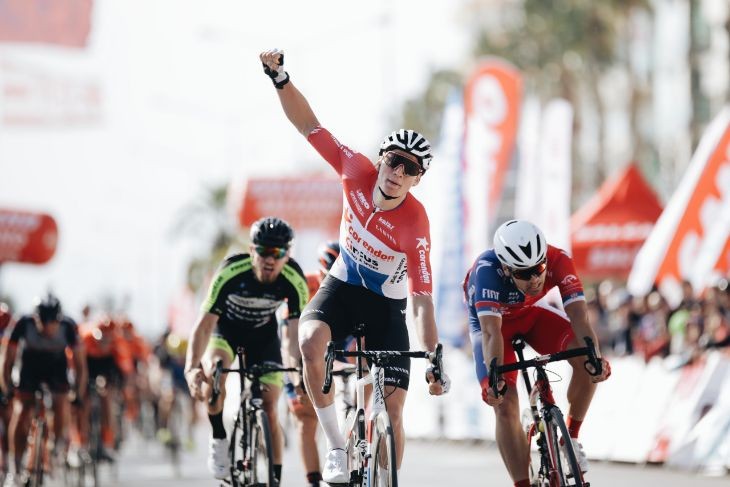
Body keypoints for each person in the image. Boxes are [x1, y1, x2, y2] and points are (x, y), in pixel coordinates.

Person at [259, 48, 450, 484]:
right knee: (310, 342)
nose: (398, 172)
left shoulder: (416, 225)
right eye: (394, 160)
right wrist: (280, 78)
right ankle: (338, 448)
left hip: (387, 309)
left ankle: (387, 475)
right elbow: (310, 125)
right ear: (381, 158)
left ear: (417, 179)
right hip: (342, 286)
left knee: (393, 409)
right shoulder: (354, 170)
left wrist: (434, 356)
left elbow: (422, 300)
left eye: (410, 168)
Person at [463, 219, 611, 487]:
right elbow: (491, 333)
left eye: (539, 268)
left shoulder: (558, 259)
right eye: (524, 273)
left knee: (587, 360)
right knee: (504, 404)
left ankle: (571, 439)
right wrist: (494, 379)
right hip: (493, 327)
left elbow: (579, 315)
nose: (534, 279)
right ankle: (522, 483)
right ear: (506, 269)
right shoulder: (486, 271)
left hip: (530, 316)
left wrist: (595, 356)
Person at [184, 216, 308, 484]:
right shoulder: (231, 271)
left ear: (288, 255)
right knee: (216, 373)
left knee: (271, 406)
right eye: (263, 251)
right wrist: (192, 367)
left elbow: (294, 333)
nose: (270, 259)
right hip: (225, 331)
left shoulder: (294, 278)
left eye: (278, 253)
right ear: (252, 250)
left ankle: (275, 476)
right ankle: (218, 438)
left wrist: (299, 373)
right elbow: (204, 326)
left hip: (263, 336)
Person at [0, 294, 87, 486]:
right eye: (43, 322)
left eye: (52, 323)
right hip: (29, 368)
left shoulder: (68, 327)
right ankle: (15, 469)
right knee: (22, 411)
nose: (48, 327)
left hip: (56, 368)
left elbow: (81, 366)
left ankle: (57, 447)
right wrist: (6, 389)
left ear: (59, 320)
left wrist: (78, 394)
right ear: (36, 318)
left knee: (61, 403)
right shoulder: (22, 323)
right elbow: (7, 361)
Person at [281, 241, 340, 487]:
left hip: (333, 354)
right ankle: (314, 481)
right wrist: (297, 379)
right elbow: (289, 339)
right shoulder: (305, 284)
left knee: (348, 404)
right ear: (321, 271)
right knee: (306, 420)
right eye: (328, 276)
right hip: (298, 351)